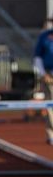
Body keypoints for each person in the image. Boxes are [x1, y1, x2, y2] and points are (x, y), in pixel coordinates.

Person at [32, 17, 53, 146]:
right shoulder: (45, 36)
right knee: (51, 104)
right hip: (49, 75)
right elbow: (37, 56)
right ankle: (51, 134)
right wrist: (43, 73)